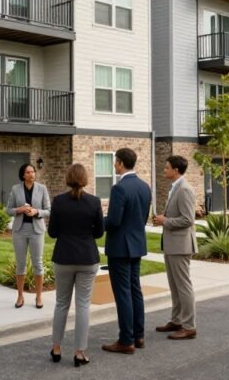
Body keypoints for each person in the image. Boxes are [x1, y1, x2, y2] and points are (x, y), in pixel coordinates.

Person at [49, 163, 104, 367]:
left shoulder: (59, 201)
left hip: (63, 256)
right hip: (87, 258)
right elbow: (99, 232)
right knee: (82, 306)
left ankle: (56, 348)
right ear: (85, 179)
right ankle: (80, 352)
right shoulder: (94, 202)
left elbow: (52, 232)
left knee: (61, 303)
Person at [102, 147, 152, 355]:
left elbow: (113, 221)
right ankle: (138, 336)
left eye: (115, 161)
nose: (114, 165)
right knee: (135, 290)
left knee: (123, 293)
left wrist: (97, 222)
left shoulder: (119, 188)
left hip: (120, 247)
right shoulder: (145, 186)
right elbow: (142, 217)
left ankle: (126, 340)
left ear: (121, 163)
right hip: (137, 244)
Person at [154, 155, 198, 340]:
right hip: (172, 244)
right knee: (174, 286)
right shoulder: (175, 188)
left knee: (183, 286)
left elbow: (188, 219)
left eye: (166, 168)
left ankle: (189, 326)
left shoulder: (184, 189)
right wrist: (165, 218)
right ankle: (177, 320)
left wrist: (166, 221)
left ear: (176, 170)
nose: (164, 170)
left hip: (181, 245)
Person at [6, 163, 51, 309]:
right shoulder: (15, 189)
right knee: (21, 263)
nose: (32, 174)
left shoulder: (42, 188)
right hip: (19, 230)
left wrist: (36, 212)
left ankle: (39, 296)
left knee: (37, 263)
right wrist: (19, 209)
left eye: (33, 172)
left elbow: (48, 210)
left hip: (36, 229)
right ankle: (20, 296)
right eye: (28, 172)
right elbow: (8, 210)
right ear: (23, 175)